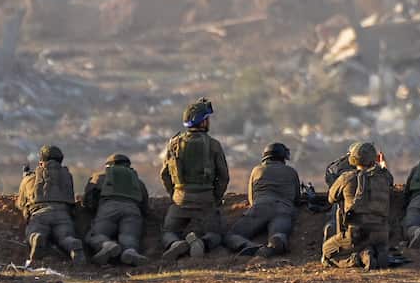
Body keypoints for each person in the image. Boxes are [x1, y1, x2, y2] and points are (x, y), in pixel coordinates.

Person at [160, 98, 229, 262]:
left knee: (168, 232)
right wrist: (215, 198)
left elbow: (164, 174)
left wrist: (174, 194)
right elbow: (224, 177)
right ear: (202, 122)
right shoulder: (213, 145)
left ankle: (175, 243)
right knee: (215, 234)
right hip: (205, 200)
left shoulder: (174, 144)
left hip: (180, 199)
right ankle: (201, 243)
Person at [322, 141, 394, 270]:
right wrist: (382, 164)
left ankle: (358, 259)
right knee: (371, 244)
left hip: (357, 233)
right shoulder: (384, 177)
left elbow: (331, 199)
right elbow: (388, 177)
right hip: (381, 233)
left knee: (327, 251)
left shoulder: (346, 178)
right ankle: (378, 253)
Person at [224, 142, 304, 258]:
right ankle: (275, 244)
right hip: (283, 210)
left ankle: (249, 246)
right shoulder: (291, 172)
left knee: (232, 235)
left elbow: (251, 199)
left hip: (260, 208)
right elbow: (297, 199)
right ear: (283, 157)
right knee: (279, 234)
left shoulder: (257, 170)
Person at [16, 145, 83, 265]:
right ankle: (73, 244)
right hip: (63, 214)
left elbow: (20, 203)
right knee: (65, 236)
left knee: (34, 232)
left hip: (39, 214)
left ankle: (37, 238)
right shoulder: (67, 176)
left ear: (41, 162)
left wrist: (26, 178)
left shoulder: (30, 178)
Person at [82, 153, 151, 266]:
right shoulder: (137, 181)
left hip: (108, 208)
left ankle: (107, 245)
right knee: (129, 236)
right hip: (132, 209)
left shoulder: (100, 176)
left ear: (108, 165)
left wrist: (93, 208)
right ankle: (130, 251)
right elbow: (145, 204)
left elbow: (89, 197)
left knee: (96, 235)